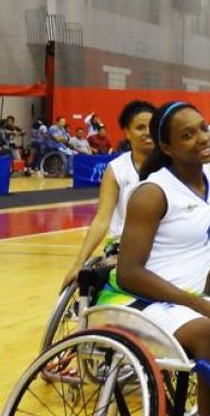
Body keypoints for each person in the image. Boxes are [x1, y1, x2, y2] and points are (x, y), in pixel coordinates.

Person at [96, 101, 210, 416]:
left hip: (183, 302)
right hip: (135, 301)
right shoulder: (152, 193)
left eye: (202, 128)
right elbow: (129, 272)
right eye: (188, 134)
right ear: (167, 147)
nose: (202, 138)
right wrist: (201, 303)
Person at [62, 100, 157, 288]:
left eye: (151, 127)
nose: (147, 132)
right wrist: (78, 264)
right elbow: (102, 219)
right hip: (124, 247)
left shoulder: (172, 165)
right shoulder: (116, 169)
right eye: (140, 128)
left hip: (164, 246)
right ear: (127, 132)